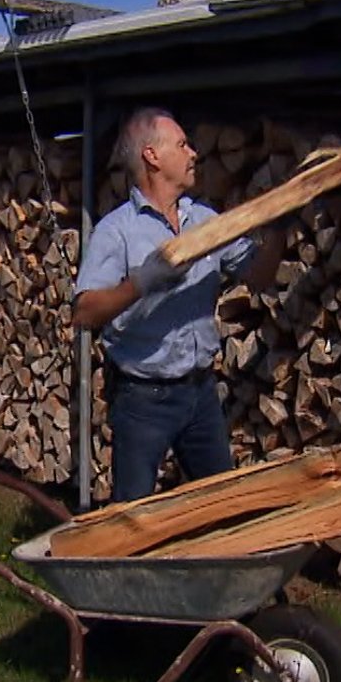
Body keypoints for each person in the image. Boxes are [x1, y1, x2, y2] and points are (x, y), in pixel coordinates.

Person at [74, 107, 287, 502]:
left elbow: (259, 277)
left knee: (221, 505)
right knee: (132, 516)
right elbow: (85, 312)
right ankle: (128, 566)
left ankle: (215, 566)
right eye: (182, 144)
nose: (194, 153)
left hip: (200, 393)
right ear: (151, 156)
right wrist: (141, 282)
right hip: (142, 400)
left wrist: (278, 229)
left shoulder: (206, 222)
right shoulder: (117, 231)